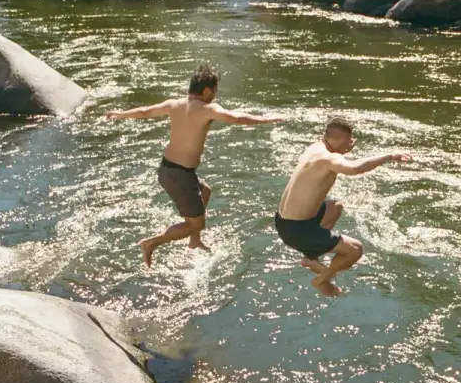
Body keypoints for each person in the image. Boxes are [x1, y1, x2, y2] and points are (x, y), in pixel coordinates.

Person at [106, 65, 283, 265]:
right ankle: (151, 243)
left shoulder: (174, 104)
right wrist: (266, 119)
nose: (215, 95)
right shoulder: (208, 108)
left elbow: (145, 112)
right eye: (215, 91)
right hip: (179, 176)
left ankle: (194, 241)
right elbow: (236, 118)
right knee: (195, 224)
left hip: (168, 169)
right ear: (207, 91)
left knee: (205, 190)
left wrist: (120, 114)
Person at [275, 117, 411, 296]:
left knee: (335, 206)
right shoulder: (328, 158)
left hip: (283, 220)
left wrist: (342, 150)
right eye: (350, 140)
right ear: (343, 140)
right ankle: (322, 279)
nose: (352, 143)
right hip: (297, 230)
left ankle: (310, 258)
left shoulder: (316, 148)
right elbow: (355, 168)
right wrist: (389, 156)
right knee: (355, 250)